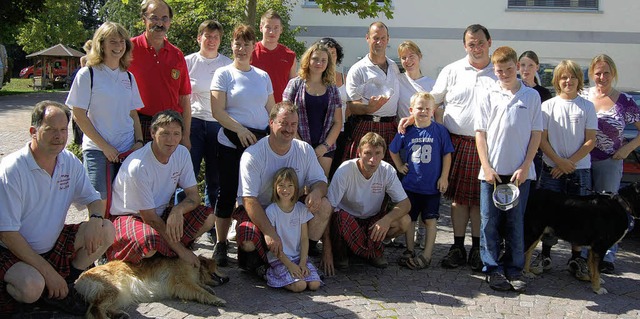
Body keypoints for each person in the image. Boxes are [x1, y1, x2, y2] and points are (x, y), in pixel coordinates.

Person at [0, 101, 115, 315]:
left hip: (52, 245)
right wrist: (48, 273)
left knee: (106, 229)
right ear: (33, 131)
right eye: (51, 129)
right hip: (12, 251)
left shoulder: (68, 161)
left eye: (63, 130)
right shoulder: (12, 170)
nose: (59, 136)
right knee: (31, 287)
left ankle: (67, 284)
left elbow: (93, 198)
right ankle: (33, 297)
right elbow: (7, 234)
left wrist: (95, 218)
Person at [401, 24, 497, 271]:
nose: (476, 48)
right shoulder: (452, 70)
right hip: (455, 142)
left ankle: (477, 248)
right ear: (465, 46)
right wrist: (413, 117)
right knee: (457, 201)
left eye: (480, 42)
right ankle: (457, 247)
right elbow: (432, 99)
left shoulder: (498, 72)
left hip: (486, 145)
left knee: (478, 200)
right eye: (471, 44)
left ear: (489, 42)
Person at [233, 102, 332, 277]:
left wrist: (316, 192)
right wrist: (269, 232)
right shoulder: (253, 154)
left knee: (324, 205)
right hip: (261, 210)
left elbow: (321, 182)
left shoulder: (304, 150)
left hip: (291, 210)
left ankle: (301, 257)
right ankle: (262, 264)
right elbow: (249, 200)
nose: (289, 129)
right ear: (271, 123)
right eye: (283, 123)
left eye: (293, 124)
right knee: (248, 240)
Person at [107, 110, 215, 267]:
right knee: (149, 242)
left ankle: (165, 252)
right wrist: (181, 250)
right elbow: (149, 218)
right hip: (130, 217)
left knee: (208, 217)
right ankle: (168, 253)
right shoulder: (138, 166)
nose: (171, 140)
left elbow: (194, 196)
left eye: (176, 134)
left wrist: (177, 210)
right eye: (165, 133)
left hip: (161, 214)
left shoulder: (182, 153)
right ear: (152, 132)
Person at [475, 46, 542, 292]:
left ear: (517, 67)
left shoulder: (531, 96)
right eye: (499, 70)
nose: (504, 74)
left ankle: (514, 268)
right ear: (494, 69)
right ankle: (492, 269)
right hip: (491, 173)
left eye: (509, 69)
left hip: (520, 175)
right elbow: (480, 133)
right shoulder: (487, 93)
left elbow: (536, 134)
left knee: (515, 222)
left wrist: (526, 167)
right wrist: (486, 166)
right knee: (489, 223)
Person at [210, 24, 275, 267]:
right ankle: (221, 243)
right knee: (226, 192)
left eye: (247, 43)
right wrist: (240, 130)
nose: (241, 48)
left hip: (258, 142)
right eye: (238, 43)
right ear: (232, 45)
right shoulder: (223, 74)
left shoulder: (262, 76)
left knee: (255, 193)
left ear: (253, 46)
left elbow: (271, 109)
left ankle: (251, 239)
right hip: (230, 139)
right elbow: (218, 111)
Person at [66, 21, 144, 206]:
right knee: (98, 204)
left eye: (122, 42)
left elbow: (133, 113)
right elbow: (79, 115)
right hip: (98, 150)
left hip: (126, 150)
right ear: (101, 44)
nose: (118, 46)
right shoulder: (88, 74)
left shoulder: (128, 76)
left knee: (123, 204)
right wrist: (105, 147)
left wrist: (139, 142)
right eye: (113, 42)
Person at [533, 60, 597, 281]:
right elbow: (541, 140)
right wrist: (559, 162)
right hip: (552, 170)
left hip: (580, 170)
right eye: (563, 77)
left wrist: (569, 163)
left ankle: (576, 259)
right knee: (548, 216)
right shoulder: (547, 106)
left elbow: (591, 141)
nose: (568, 81)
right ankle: (546, 255)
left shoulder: (587, 106)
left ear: (579, 79)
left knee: (581, 218)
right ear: (557, 81)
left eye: (572, 77)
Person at [579, 54, 640, 273]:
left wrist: (627, 148)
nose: (602, 77)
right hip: (582, 161)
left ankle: (607, 256)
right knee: (586, 207)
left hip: (609, 161)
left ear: (613, 73)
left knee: (609, 210)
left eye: (606, 72)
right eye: (597, 73)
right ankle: (583, 254)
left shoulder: (624, 101)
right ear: (591, 74)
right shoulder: (583, 95)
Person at [323, 132, 412, 270]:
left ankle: (369, 250)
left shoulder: (387, 170)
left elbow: (405, 204)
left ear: (383, 154)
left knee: (404, 220)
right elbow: (328, 209)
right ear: (359, 152)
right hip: (347, 220)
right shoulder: (345, 170)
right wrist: (327, 251)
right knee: (340, 218)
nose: (372, 159)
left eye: (377, 153)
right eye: (368, 153)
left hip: (372, 221)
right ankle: (361, 252)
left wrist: (386, 220)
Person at [389, 92, 453, 270]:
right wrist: (400, 165)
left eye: (427, 108)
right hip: (410, 185)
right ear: (411, 110)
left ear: (433, 111)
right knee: (410, 219)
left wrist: (444, 177)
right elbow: (393, 150)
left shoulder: (440, 130)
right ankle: (409, 250)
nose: (423, 111)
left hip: (431, 186)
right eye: (419, 108)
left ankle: (427, 254)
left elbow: (447, 154)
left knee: (430, 220)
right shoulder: (406, 130)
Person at [182, 20, 232, 241]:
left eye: (216, 37)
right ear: (199, 38)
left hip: (217, 124)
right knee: (187, 175)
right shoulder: (187, 62)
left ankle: (210, 225)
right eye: (207, 36)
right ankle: (184, 226)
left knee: (215, 178)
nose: (211, 41)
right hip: (192, 123)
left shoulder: (227, 65)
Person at [129, 0, 192, 146]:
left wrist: (186, 136)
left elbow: (184, 99)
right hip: (138, 124)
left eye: (164, 18)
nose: (160, 23)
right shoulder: (129, 48)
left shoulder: (177, 55)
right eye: (154, 18)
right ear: (144, 19)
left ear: (169, 22)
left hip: (171, 124)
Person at [344, 21, 401, 165]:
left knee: (389, 174)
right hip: (367, 126)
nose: (379, 42)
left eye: (383, 38)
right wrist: (369, 108)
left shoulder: (394, 67)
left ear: (388, 39)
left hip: (391, 127)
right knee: (361, 173)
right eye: (375, 38)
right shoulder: (358, 69)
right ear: (367, 38)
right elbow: (352, 106)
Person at [283, 42, 342, 176]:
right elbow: (285, 116)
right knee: (296, 187)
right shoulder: (295, 84)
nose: (319, 63)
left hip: (325, 148)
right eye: (315, 59)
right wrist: (301, 144)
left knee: (319, 186)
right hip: (297, 144)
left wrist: (324, 147)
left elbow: (338, 122)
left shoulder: (332, 89)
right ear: (308, 59)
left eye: (323, 60)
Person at [265, 167, 323, 292]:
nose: (285, 190)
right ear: (275, 187)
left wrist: (302, 262)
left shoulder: (301, 209)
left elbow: (304, 238)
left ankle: (301, 270)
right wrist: (290, 265)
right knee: (300, 285)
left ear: (296, 188)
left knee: (314, 284)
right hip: (281, 259)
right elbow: (273, 245)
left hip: (298, 257)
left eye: (290, 185)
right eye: (281, 185)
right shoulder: (271, 211)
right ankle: (271, 275)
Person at [518, 50, 552, 180]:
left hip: (537, 148)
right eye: (523, 65)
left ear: (537, 67)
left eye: (530, 65)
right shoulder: (514, 89)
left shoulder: (544, 93)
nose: (526, 69)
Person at [251, 9, 296, 103]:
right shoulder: (250, 52)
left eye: (276, 27)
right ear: (261, 28)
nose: (272, 32)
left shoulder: (290, 55)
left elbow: (293, 86)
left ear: (281, 29)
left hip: (280, 110)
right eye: (268, 27)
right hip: (255, 108)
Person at [396, 41, 436, 119]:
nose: (407, 60)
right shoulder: (397, 80)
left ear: (419, 56)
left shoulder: (432, 84)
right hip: (406, 129)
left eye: (411, 56)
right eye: (403, 58)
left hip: (428, 129)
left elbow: (438, 111)